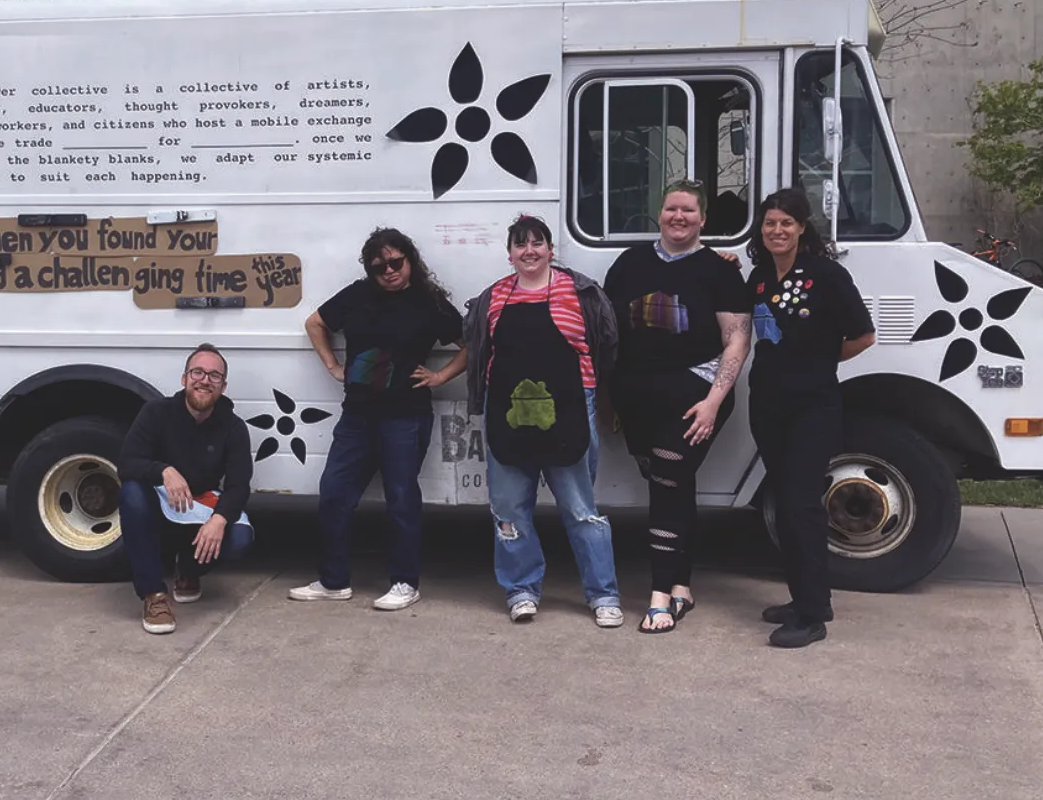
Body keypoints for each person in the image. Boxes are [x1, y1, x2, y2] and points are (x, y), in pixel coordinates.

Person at [420, 215, 623, 627]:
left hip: (571, 409)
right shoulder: (492, 298)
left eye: (537, 242)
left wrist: (602, 400)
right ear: (509, 253)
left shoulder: (581, 292)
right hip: (507, 412)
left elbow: (608, 348)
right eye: (520, 244)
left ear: (550, 248)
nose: (529, 251)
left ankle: (603, 594)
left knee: (582, 509)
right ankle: (521, 589)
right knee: (509, 510)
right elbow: (479, 354)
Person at [604, 181, 751, 633]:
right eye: (671, 209)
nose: (679, 217)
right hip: (636, 399)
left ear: (703, 219)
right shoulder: (628, 264)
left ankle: (659, 598)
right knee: (672, 482)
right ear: (660, 214)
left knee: (668, 478)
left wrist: (713, 403)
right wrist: (610, 398)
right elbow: (609, 335)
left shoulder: (721, 271)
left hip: (696, 398)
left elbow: (737, 340)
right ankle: (683, 585)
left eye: (688, 210)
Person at [289, 228, 462, 611]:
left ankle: (405, 582)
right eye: (379, 266)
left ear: (410, 260)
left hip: (405, 416)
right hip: (357, 415)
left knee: (401, 499)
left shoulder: (429, 303)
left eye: (396, 262)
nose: (389, 271)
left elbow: (472, 343)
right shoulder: (357, 295)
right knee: (334, 493)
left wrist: (440, 376)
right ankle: (334, 581)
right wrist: (333, 365)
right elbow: (314, 323)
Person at [746, 188, 875, 649]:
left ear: (802, 228)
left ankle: (809, 617)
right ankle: (811, 599)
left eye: (786, 223)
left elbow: (864, 335)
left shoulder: (827, 276)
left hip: (811, 408)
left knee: (802, 508)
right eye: (769, 223)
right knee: (786, 504)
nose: (777, 231)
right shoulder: (759, 278)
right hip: (768, 407)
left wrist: (820, 361)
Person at [118, 344, 255, 635]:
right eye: (198, 372)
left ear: (223, 386)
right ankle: (154, 595)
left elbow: (238, 485)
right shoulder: (155, 412)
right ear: (184, 379)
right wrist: (164, 470)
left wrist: (218, 520)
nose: (205, 380)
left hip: (199, 507)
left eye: (214, 376)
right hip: (160, 504)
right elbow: (127, 464)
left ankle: (188, 570)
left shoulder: (233, 428)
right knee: (131, 492)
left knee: (239, 537)